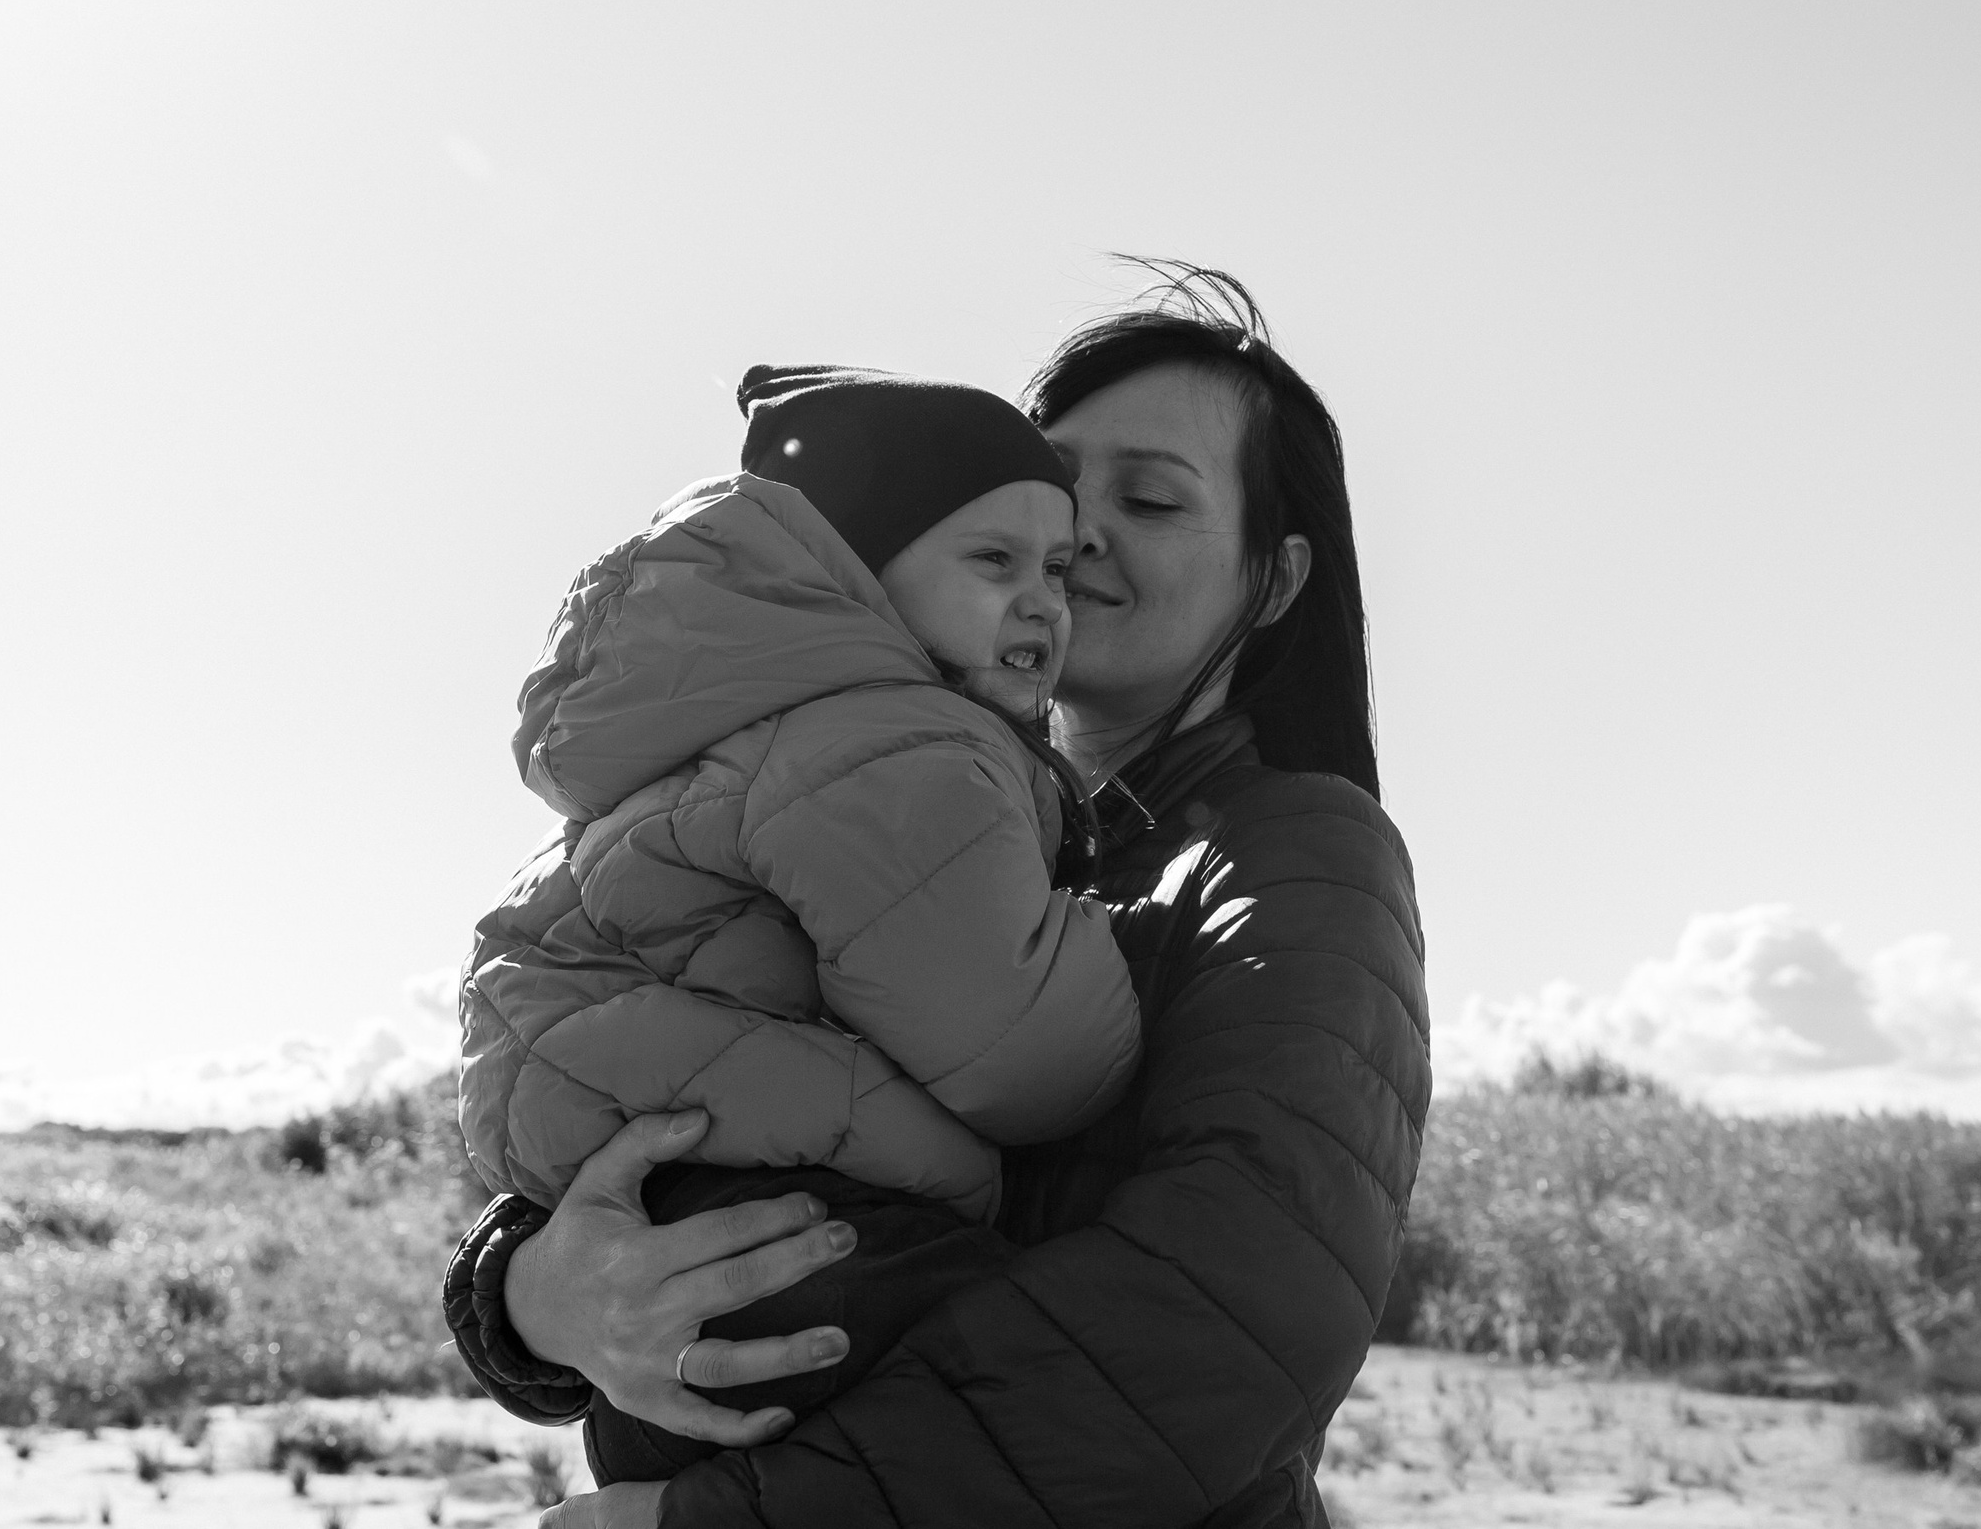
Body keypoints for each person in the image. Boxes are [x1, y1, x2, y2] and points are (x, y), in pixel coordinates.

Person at [443, 263, 1431, 1528]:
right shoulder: (886, 802)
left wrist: (729, 1521)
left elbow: (1229, 1318)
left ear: (1274, 581)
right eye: (1051, 496)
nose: (1082, 538)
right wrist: (528, 1292)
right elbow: (669, 1082)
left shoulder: (1295, 851)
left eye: (1149, 499)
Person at [456, 366, 1144, 1479]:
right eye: (993, 561)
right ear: (850, 576)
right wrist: (1127, 939)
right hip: (790, 1233)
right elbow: (1026, 1057)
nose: (1044, 603)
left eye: (1057, 569)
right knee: (1072, 1416)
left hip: (679, 1240)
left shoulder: (744, 730)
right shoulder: (899, 746)